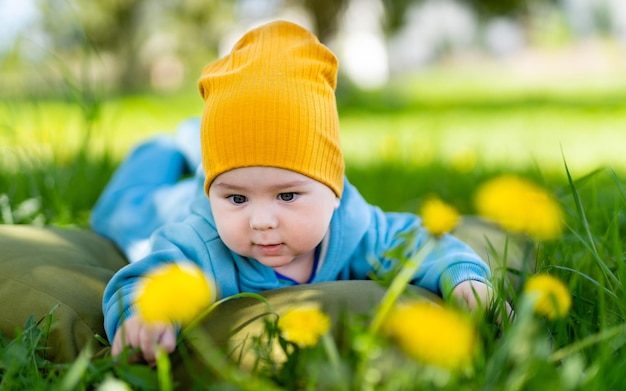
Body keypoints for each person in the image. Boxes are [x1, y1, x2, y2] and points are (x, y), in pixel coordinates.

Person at [94, 20, 500, 366]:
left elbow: (417, 243)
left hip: (220, 175)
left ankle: (198, 147)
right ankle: (169, 148)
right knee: (122, 210)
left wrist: (463, 276)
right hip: (169, 207)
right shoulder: (202, 239)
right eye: (237, 198)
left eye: (287, 196)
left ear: (333, 190)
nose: (262, 220)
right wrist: (145, 314)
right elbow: (155, 273)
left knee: (231, 168)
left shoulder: (357, 228)